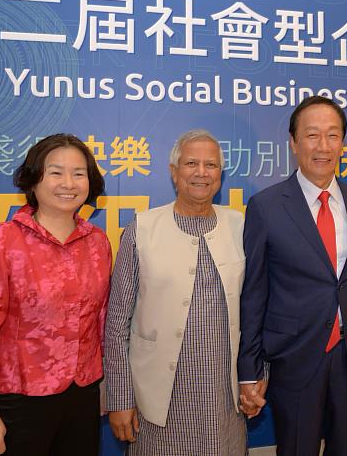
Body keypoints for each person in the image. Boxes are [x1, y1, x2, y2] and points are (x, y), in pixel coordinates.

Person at [0, 133, 111, 456]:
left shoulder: (97, 242)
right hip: (16, 401)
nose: (68, 183)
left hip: (81, 397)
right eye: (55, 172)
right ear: (33, 180)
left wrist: (106, 385)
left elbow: (101, 320)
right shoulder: (2, 240)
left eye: (78, 173)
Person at [238, 96, 347, 456]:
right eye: (312, 135)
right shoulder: (266, 207)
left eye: (333, 136)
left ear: (343, 144)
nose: (323, 146)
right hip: (296, 358)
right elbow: (254, 293)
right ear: (294, 142)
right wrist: (250, 369)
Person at [104, 129, 247, 455]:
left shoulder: (240, 225)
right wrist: (120, 398)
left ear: (220, 175)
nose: (201, 173)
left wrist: (256, 376)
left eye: (211, 165)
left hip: (223, 399)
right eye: (191, 163)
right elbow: (116, 326)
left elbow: (255, 310)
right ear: (173, 171)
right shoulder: (141, 229)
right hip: (158, 402)